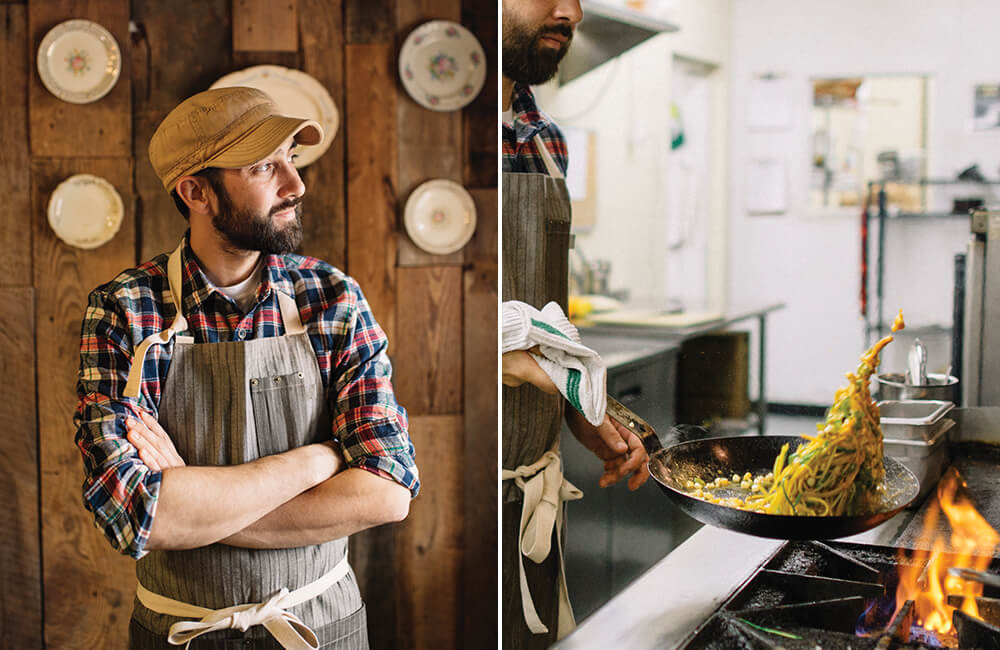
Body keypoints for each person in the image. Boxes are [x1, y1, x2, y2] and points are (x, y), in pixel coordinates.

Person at [74, 86, 419, 650]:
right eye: (264, 166)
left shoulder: (331, 298)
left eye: (291, 158)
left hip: (320, 628)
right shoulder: (126, 309)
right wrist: (320, 458)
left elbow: (387, 491)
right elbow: (139, 516)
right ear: (195, 192)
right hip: (182, 633)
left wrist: (194, 501)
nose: (296, 184)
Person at [501, 1, 649, 647]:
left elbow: (540, 322)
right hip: (437, 479)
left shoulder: (544, 139)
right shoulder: (425, 131)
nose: (572, 11)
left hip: (531, 474)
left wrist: (581, 409)